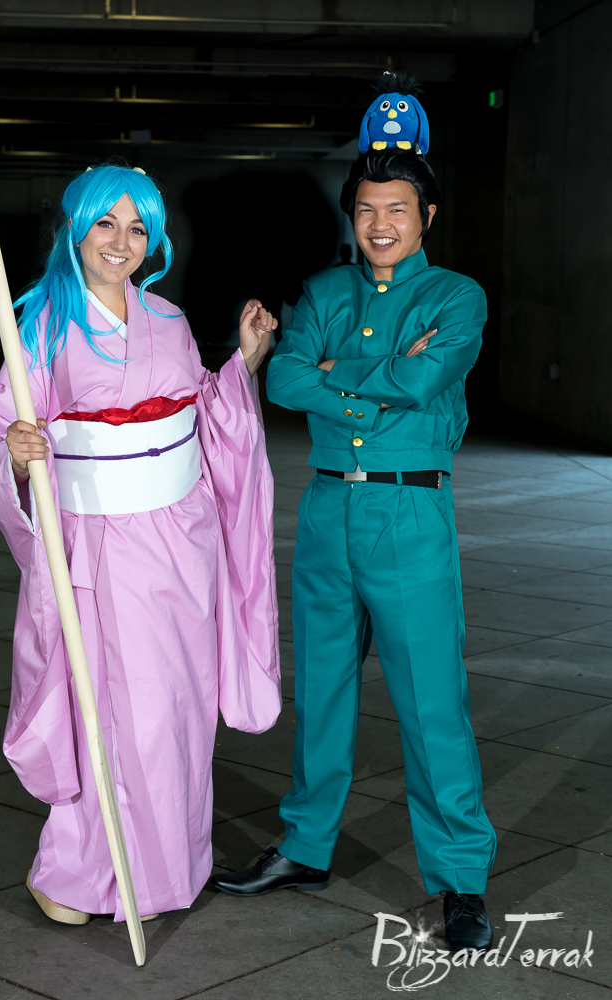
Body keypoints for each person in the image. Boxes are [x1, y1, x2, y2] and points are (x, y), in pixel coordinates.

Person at [0, 163, 282, 924]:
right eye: (105, 223)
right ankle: (74, 874)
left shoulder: (167, 320)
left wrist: (243, 362)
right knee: (106, 710)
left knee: (177, 707)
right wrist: (17, 452)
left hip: (182, 539)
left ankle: (167, 870)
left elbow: (204, 415)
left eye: (138, 227)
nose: (121, 241)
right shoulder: (40, 326)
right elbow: (0, 430)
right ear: (75, 229)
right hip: (98, 545)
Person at [212, 139, 497, 953]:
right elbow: (284, 380)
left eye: (396, 209)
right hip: (328, 508)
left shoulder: (456, 296)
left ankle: (460, 879)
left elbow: (424, 380)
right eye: (366, 208)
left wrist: (336, 374)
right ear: (351, 215)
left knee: (430, 702)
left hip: (409, 514)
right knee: (321, 692)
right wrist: (375, 382)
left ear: (425, 215)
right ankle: (304, 848)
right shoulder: (323, 291)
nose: (379, 223)